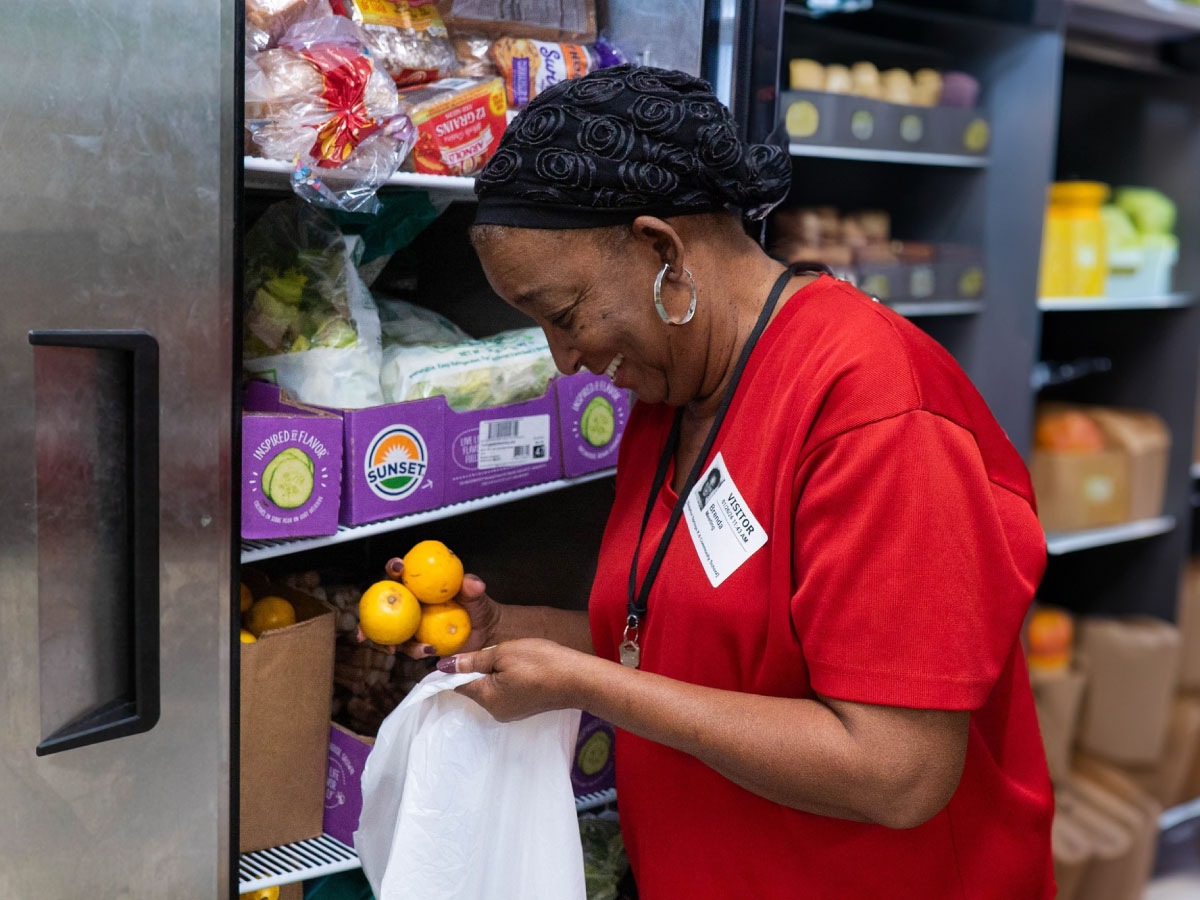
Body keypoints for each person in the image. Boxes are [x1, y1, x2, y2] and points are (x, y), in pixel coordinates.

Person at [390, 65, 1054, 898]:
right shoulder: (673, 399)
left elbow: (898, 771)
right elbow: (683, 637)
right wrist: (509, 632)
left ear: (661, 250)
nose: (565, 362)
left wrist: (592, 687)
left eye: (564, 316)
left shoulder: (875, 409)